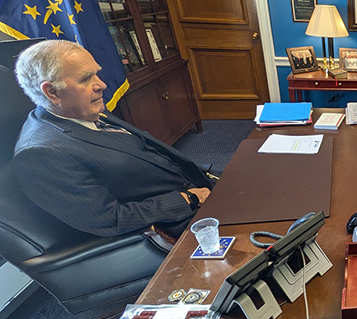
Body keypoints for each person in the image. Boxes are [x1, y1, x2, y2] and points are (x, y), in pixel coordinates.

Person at [13, 40, 214, 239]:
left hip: (196, 183)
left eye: (96, 73)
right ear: (52, 92)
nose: (102, 84)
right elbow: (109, 219)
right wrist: (188, 199)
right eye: (85, 79)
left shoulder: (80, 110)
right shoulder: (41, 153)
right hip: (177, 221)